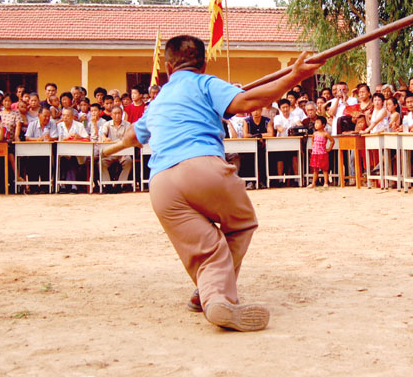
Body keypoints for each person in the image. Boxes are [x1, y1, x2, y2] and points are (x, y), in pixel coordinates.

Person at [102, 35, 321, 331]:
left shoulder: (157, 102)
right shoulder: (206, 83)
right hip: (203, 168)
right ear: (203, 63)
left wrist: (113, 145)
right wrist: (294, 76)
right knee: (241, 223)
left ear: (168, 67)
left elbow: (132, 137)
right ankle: (215, 293)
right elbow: (249, 102)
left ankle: (211, 295)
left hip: (161, 185)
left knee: (207, 248)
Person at [309, 116, 333, 188]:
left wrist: (329, 149)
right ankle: (313, 183)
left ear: (323, 125)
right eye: (315, 123)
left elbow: (332, 141)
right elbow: (313, 140)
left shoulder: (325, 134)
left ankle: (326, 182)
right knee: (315, 169)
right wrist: (314, 147)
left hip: (323, 153)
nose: (316, 124)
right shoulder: (315, 133)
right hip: (315, 154)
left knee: (324, 169)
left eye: (318, 123)